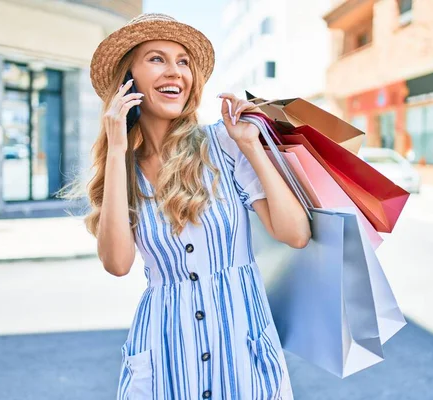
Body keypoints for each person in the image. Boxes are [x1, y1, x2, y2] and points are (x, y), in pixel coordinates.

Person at [87, 13, 311, 399]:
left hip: (242, 349)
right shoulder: (123, 168)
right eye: (157, 59)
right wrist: (117, 148)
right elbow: (117, 264)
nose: (175, 72)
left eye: (183, 61)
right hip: (166, 356)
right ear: (129, 81)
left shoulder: (224, 145)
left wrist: (250, 147)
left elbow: (296, 233)